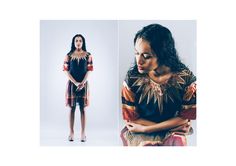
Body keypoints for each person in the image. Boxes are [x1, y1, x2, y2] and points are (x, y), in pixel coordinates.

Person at [120, 24, 196, 146]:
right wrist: (169, 127)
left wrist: (146, 128)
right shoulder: (131, 79)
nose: (138, 61)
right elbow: (132, 119)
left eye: (146, 56)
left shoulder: (186, 78)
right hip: (142, 134)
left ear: (163, 54)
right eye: (137, 53)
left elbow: (185, 118)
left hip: (151, 130)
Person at [63, 34, 93, 142]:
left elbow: (89, 70)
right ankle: (71, 132)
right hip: (72, 85)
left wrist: (83, 82)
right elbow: (66, 71)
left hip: (84, 85)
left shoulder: (88, 55)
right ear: (74, 42)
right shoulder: (68, 55)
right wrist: (75, 82)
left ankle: (83, 133)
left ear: (83, 42)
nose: (78, 42)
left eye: (80, 40)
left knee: (83, 108)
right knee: (72, 108)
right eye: (76, 40)